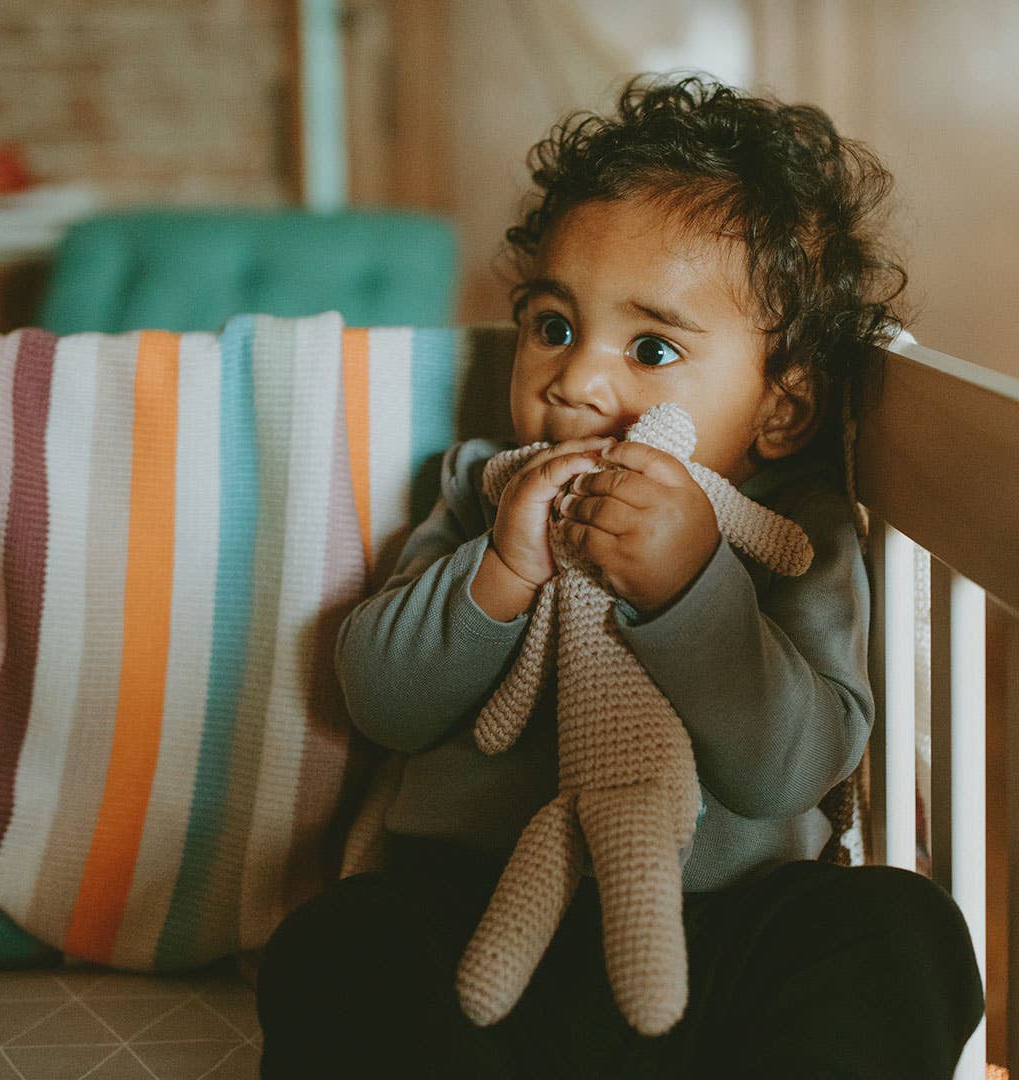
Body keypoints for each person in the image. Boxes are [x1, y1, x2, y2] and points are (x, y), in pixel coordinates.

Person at [257, 74, 983, 1079]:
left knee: (903, 928)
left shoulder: (792, 532)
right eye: (553, 325)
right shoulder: (483, 491)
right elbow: (382, 699)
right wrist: (503, 568)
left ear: (784, 407)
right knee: (334, 948)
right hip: (476, 924)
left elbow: (789, 767)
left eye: (649, 347)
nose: (575, 379)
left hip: (721, 936)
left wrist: (692, 591)